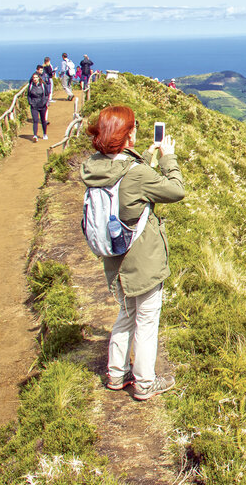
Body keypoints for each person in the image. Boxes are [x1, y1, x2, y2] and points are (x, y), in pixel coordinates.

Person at [80, 106, 185, 401]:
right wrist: (168, 158)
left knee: (125, 314)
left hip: (115, 258)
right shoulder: (135, 173)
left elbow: (126, 188)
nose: (136, 130)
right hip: (143, 259)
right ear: (125, 136)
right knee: (147, 320)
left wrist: (144, 156)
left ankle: (116, 374)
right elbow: (176, 191)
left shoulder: (95, 168)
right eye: (132, 127)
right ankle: (144, 382)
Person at [27, 73, 49, 142]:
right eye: (34, 77)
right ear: (32, 79)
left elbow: (46, 95)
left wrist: (44, 103)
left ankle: (45, 134)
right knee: (35, 120)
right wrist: (31, 103)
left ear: (39, 78)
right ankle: (35, 135)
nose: (35, 79)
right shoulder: (30, 86)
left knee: (43, 120)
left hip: (42, 106)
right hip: (34, 106)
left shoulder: (43, 85)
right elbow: (28, 96)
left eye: (36, 77)